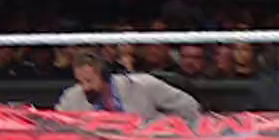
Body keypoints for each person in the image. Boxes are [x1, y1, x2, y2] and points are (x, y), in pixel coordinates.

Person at [55, 48, 202, 119]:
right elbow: (56, 124)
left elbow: (190, 107)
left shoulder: (145, 85)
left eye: (89, 81)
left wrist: (163, 128)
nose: (85, 88)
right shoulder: (72, 97)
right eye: (80, 82)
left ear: (105, 76)